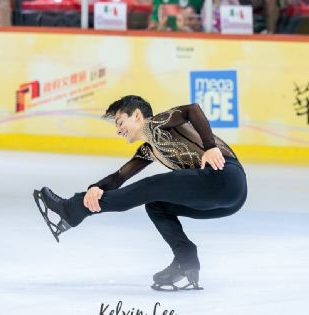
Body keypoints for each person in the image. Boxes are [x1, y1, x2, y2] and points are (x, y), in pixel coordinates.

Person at [33, 95, 247, 291]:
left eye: (119, 122)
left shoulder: (156, 124)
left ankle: (73, 209)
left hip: (225, 177)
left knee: (152, 186)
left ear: (137, 115)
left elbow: (192, 109)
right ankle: (186, 260)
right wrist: (94, 188)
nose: (118, 130)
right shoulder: (149, 149)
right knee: (156, 205)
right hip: (230, 200)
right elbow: (119, 177)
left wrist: (210, 146)